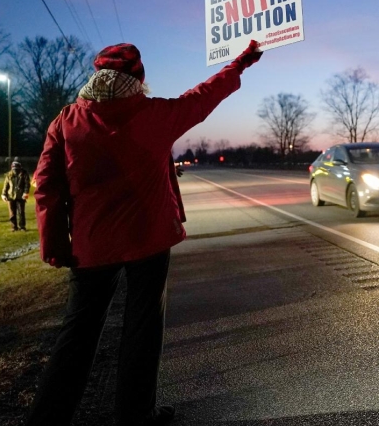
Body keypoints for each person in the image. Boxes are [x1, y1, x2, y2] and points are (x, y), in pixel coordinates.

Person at [27, 40, 263, 426]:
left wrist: (54, 245)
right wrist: (241, 63)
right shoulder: (154, 114)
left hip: (91, 247)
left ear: (96, 75)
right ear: (137, 78)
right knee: (143, 328)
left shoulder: (67, 120)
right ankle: (135, 414)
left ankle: (46, 418)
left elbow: (45, 185)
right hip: (149, 241)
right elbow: (203, 96)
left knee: (77, 335)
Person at [1, 160, 31, 231]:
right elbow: (6, 185)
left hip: (21, 196)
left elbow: (27, 184)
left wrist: (25, 192)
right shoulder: (9, 175)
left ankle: (22, 226)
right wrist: (3, 194)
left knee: (21, 212)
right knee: (12, 213)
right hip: (11, 196)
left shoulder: (24, 174)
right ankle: (14, 227)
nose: (15, 170)